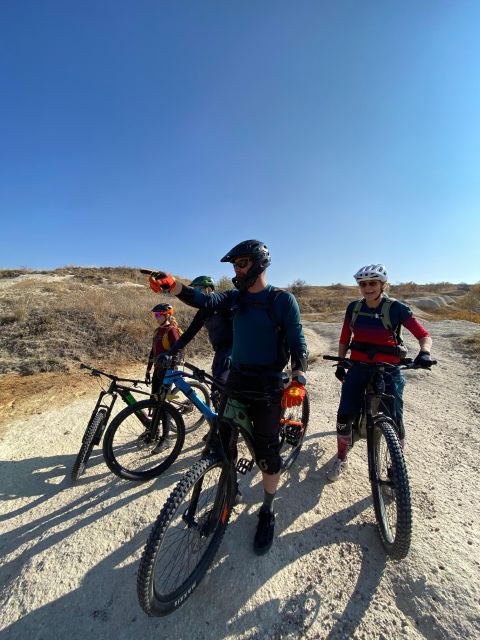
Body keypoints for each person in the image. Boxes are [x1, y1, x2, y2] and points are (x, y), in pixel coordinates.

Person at [148, 239, 308, 555]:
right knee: (221, 443)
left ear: (259, 263)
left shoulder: (282, 301)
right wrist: (174, 287)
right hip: (236, 380)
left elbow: (298, 343)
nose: (237, 270)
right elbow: (203, 301)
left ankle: (267, 510)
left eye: (242, 263)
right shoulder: (234, 299)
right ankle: (228, 492)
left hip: (268, 386)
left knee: (267, 456)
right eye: (234, 265)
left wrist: (298, 378)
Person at [327, 264, 433, 482]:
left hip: (388, 368)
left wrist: (424, 352)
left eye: (373, 283)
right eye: (363, 284)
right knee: (344, 415)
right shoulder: (354, 308)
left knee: (395, 418)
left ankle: (396, 465)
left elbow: (423, 335)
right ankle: (341, 457)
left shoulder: (396, 308)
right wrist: (340, 364)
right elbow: (344, 338)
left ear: (383, 285)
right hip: (358, 366)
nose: (367, 288)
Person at [163, 276, 233, 390]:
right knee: (216, 392)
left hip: (232, 352)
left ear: (209, 289)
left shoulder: (223, 305)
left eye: (198, 289)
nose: (196, 292)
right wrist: (170, 352)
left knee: (221, 388)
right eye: (194, 289)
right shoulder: (203, 313)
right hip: (219, 352)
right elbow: (188, 335)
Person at [145, 303, 182, 395]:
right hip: (157, 369)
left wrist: (173, 368)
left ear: (167, 315)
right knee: (154, 398)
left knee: (162, 402)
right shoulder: (157, 331)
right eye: (155, 315)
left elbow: (178, 350)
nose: (156, 317)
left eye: (158, 315)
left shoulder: (171, 330)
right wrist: (148, 370)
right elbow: (153, 352)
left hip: (167, 371)